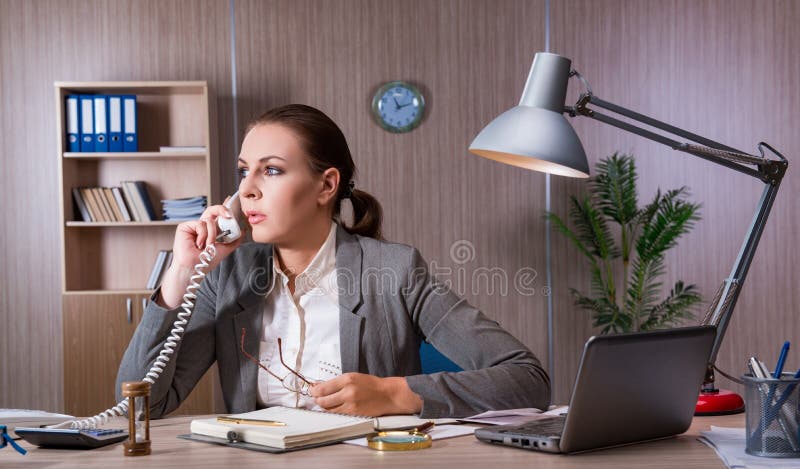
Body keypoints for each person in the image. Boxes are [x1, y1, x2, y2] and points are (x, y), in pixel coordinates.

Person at [116, 104, 550, 419]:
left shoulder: (395, 271)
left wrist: (398, 394)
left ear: (326, 186)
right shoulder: (226, 276)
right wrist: (179, 278)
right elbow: (142, 407)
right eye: (243, 171)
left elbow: (528, 379)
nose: (246, 190)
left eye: (270, 171)